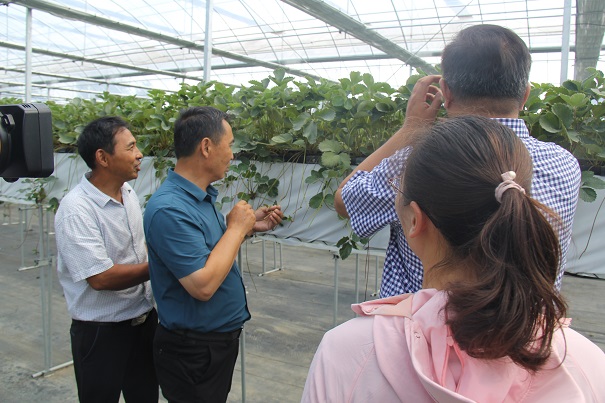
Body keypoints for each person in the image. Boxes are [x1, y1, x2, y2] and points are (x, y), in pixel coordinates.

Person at [303, 116, 605, 402]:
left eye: (397, 188)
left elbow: (344, 198)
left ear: (415, 220)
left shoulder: (347, 352)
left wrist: (409, 127)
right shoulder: (585, 364)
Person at [334, 24, 581, 297]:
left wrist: (410, 129)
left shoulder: (416, 162)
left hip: (424, 324)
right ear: (525, 95)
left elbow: (344, 201)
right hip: (532, 323)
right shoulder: (566, 165)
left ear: (446, 93)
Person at [144, 106, 283, 403]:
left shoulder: (198, 197)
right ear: (206, 147)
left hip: (211, 346)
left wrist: (247, 229)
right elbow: (203, 285)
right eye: (229, 145)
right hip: (192, 351)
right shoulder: (169, 209)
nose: (232, 155)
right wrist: (236, 228)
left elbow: (210, 254)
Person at [54, 116, 158, 402]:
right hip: (101, 333)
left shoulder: (128, 192)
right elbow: (100, 278)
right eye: (131, 147)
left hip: (143, 321)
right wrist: (160, 267)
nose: (139, 154)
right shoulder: (76, 210)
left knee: (145, 397)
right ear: (102, 157)